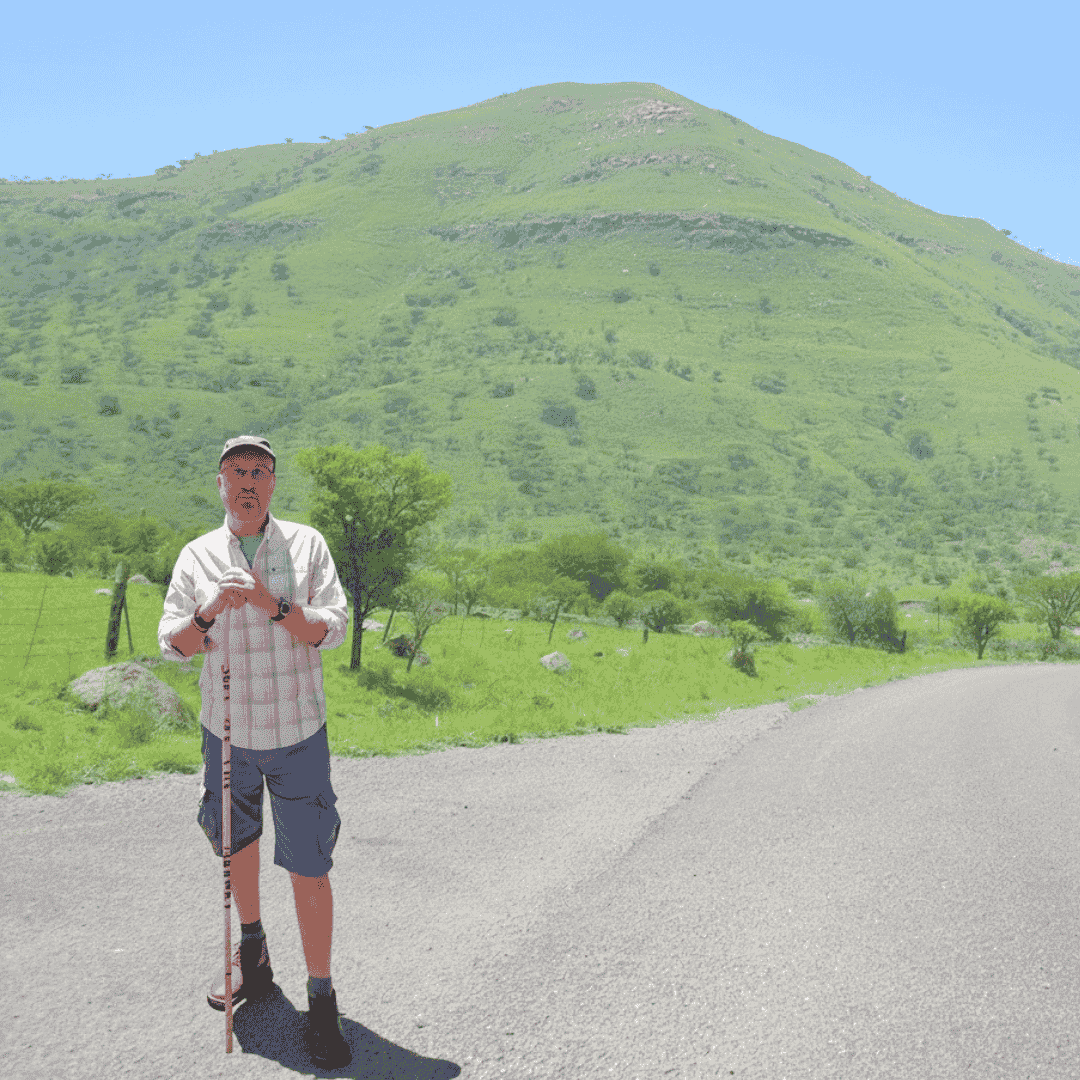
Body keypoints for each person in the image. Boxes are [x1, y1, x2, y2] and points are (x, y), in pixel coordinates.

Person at [157, 435, 352, 1070]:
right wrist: (212, 608)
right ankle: (254, 956)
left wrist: (272, 605)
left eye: (259, 471)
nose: (248, 480)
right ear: (219, 483)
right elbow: (177, 647)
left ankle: (320, 996)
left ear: (272, 483)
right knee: (235, 842)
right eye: (236, 470)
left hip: (297, 731)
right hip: (229, 732)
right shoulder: (197, 556)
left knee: (307, 860)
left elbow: (330, 628)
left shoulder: (307, 545)